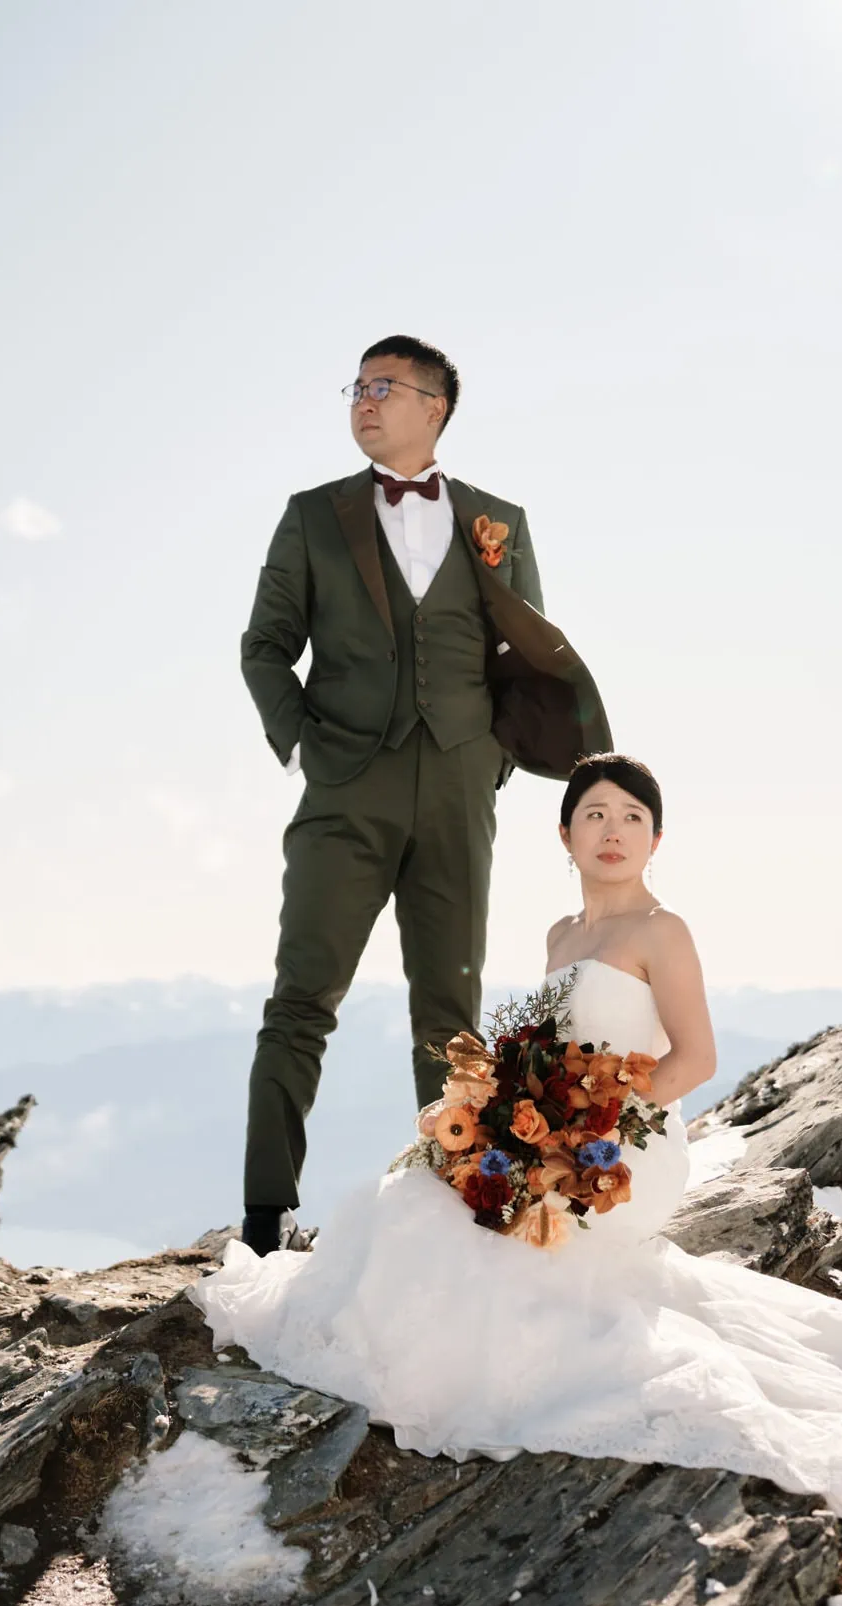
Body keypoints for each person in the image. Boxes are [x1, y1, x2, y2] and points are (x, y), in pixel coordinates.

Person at [195, 756, 842, 1530]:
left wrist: (594, 1118)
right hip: (550, 1130)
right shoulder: (561, 933)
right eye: (592, 814)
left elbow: (696, 1058)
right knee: (414, 1202)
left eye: (632, 815)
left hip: (625, 1145)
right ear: (563, 838)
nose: (612, 829)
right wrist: (497, 1109)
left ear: (655, 837)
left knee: (491, 1239)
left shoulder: (661, 929)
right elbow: (539, 1049)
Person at [237, 336, 609, 1258]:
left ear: (434, 405)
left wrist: (487, 761)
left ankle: (444, 1219)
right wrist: (309, 746)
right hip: (345, 789)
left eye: (384, 387)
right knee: (301, 1002)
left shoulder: (499, 522)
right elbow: (264, 646)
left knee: (449, 1019)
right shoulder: (313, 516)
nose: (363, 401)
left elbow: (526, 654)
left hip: (456, 787)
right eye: (356, 388)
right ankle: (261, 1217)